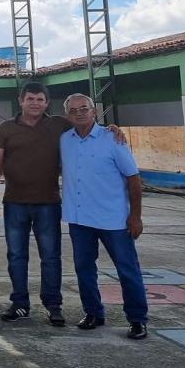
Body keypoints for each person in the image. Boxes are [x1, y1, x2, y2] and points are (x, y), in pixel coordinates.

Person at [60, 93, 148, 340]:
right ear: (68, 115)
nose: (79, 113)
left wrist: (136, 216)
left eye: (84, 108)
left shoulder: (113, 139)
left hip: (114, 220)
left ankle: (138, 319)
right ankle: (93, 313)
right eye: (73, 110)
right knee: (84, 269)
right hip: (79, 219)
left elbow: (133, 179)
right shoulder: (65, 140)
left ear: (94, 112)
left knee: (127, 269)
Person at [0, 82, 67, 326]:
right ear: (20, 101)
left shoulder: (60, 125)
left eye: (40, 99)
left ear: (46, 103)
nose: (35, 103)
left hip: (48, 203)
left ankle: (53, 305)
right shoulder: (6, 128)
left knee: (51, 256)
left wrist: (112, 129)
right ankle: (20, 303)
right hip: (15, 203)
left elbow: (87, 129)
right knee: (16, 256)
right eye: (30, 98)